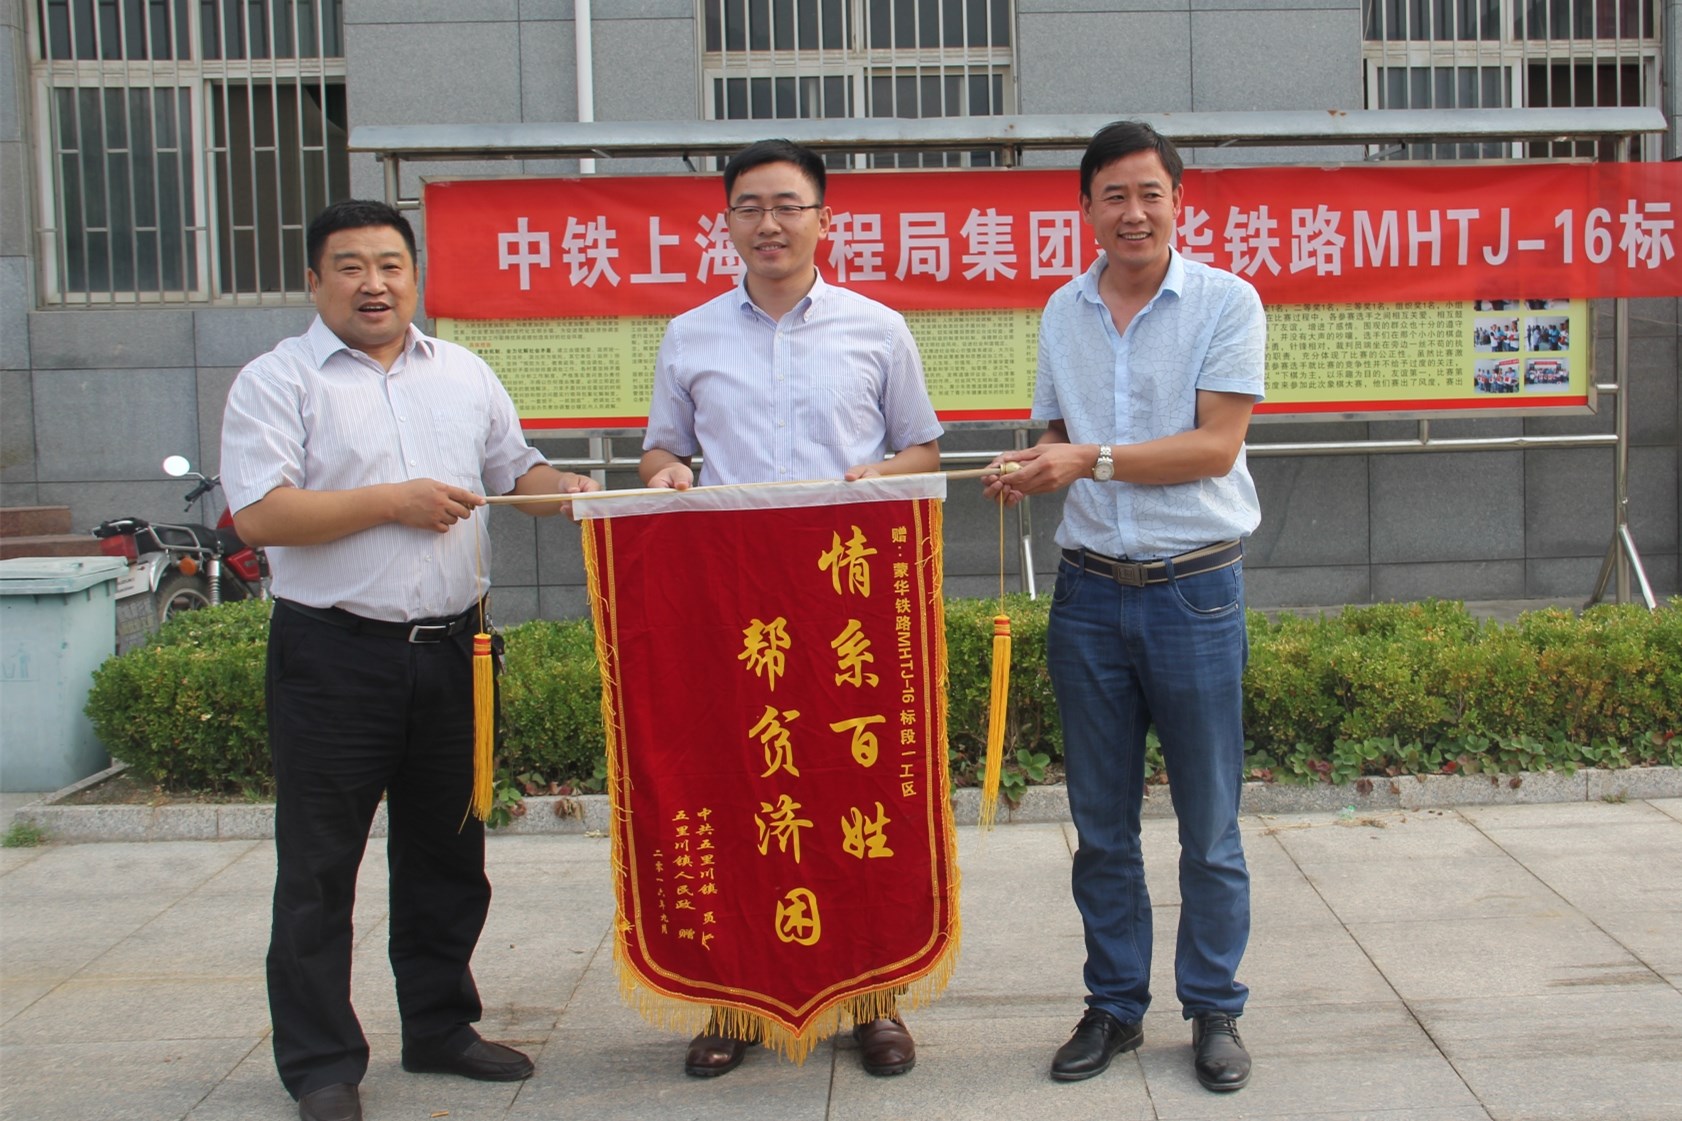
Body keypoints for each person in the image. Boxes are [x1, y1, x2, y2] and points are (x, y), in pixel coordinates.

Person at [221, 199, 600, 1121]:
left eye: (390, 265)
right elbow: (261, 514)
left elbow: (517, 474)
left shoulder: (462, 373)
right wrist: (391, 501)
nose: (373, 284)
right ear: (314, 282)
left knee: (449, 852)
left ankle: (439, 1025)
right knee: (319, 868)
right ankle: (321, 1063)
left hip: (455, 652)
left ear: (415, 277)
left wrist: (569, 490)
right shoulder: (278, 381)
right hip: (333, 655)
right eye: (349, 266)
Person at [639, 139, 943, 1076]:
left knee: (857, 788)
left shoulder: (877, 328)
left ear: (823, 219)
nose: (768, 224)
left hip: (844, 605)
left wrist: (881, 474)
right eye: (750, 207)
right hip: (729, 605)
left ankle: (873, 998)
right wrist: (669, 472)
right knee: (739, 786)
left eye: (787, 205)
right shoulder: (690, 334)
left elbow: (922, 451)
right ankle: (734, 1000)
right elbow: (661, 450)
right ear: (726, 221)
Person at [984, 120, 1264, 1094]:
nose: (1133, 212)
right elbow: (1057, 436)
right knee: (1100, 826)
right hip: (1089, 595)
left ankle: (1214, 1006)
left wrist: (1085, 458)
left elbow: (1214, 447)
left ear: (1178, 202)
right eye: (1113, 195)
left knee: (1209, 825)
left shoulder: (1226, 300)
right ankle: (1112, 1004)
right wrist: (1031, 466)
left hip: (1195, 589)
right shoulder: (1061, 311)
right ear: (1086, 207)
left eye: (1150, 193)